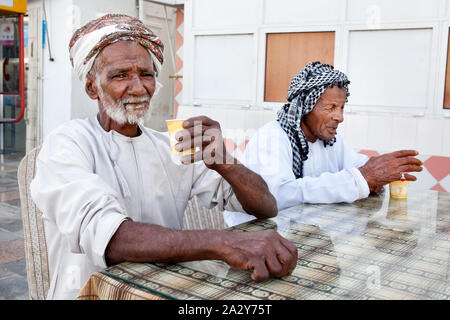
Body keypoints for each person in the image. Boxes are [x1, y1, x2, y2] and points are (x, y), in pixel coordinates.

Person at [30, 14, 297, 299]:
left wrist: (224, 161)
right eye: (120, 75)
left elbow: (266, 206)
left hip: (167, 292)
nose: (138, 87)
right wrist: (224, 242)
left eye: (146, 74)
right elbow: (110, 238)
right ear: (92, 87)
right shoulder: (67, 144)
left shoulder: (171, 145)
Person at [225, 61, 423, 226]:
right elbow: (278, 196)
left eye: (342, 107)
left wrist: (377, 175)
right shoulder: (271, 137)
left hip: (305, 235)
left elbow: (359, 168)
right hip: (256, 237)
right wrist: (361, 179)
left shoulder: (330, 141)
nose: (340, 117)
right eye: (331, 107)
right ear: (305, 107)